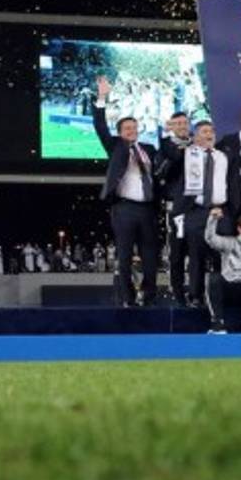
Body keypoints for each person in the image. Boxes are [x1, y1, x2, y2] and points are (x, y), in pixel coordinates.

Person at [92, 74, 159, 307]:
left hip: (148, 209)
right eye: (127, 128)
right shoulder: (116, 146)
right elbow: (100, 127)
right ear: (120, 132)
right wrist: (102, 97)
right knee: (124, 256)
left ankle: (149, 297)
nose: (131, 131)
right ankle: (127, 299)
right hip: (124, 208)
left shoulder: (149, 149)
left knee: (150, 256)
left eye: (134, 127)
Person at [173, 121, 239, 307]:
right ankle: (195, 295)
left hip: (221, 211)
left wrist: (231, 210)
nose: (209, 134)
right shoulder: (187, 155)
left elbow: (232, 183)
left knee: (222, 255)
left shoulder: (224, 156)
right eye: (204, 131)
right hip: (196, 211)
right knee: (196, 255)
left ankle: (222, 296)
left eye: (211, 131)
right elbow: (169, 156)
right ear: (196, 136)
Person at [156, 111, 194, 305]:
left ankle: (196, 293)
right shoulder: (164, 146)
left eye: (184, 123)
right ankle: (177, 293)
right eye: (177, 123)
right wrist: (180, 151)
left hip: (197, 207)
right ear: (171, 126)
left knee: (196, 251)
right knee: (177, 251)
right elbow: (161, 173)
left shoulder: (197, 144)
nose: (181, 126)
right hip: (177, 206)